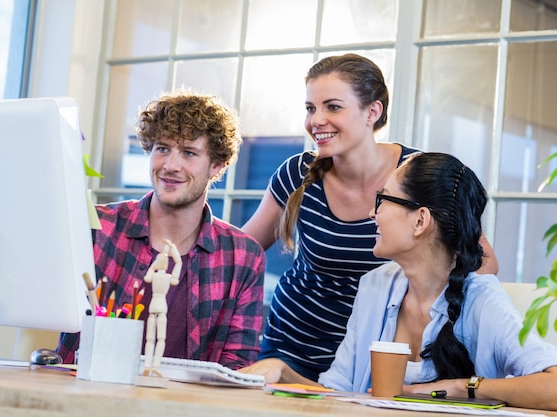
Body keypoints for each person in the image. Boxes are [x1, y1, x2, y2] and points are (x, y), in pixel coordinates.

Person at [239, 53, 499, 382]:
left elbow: (485, 263)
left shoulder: (413, 176)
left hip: (375, 357)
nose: (316, 120)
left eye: (333, 107)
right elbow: (241, 253)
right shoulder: (297, 173)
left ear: (372, 112)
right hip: (292, 349)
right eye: (310, 108)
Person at [259, 152, 557, 411]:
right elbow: (338, 393)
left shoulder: (482, 299)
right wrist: (283, 373)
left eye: (383, 199)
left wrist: (461, 388)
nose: (372, 213)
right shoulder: (375, 286)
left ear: (420, 220)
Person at [57, 90, 266, 370]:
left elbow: (237, 365)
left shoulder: (243, 257)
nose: (170, 166)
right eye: (163, 148)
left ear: (216, 165)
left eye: (189, 153)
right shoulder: (97, 227)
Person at [142, 239, 181, 377]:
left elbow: (148, 275)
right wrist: (173, 248)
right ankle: (155, 365)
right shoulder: (169, 277)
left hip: (153, 305)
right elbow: (179, 263)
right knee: (160, 339)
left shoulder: (153, 275)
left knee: (150, 339)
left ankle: (148, 365)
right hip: (162, 306)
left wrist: (156, 262)